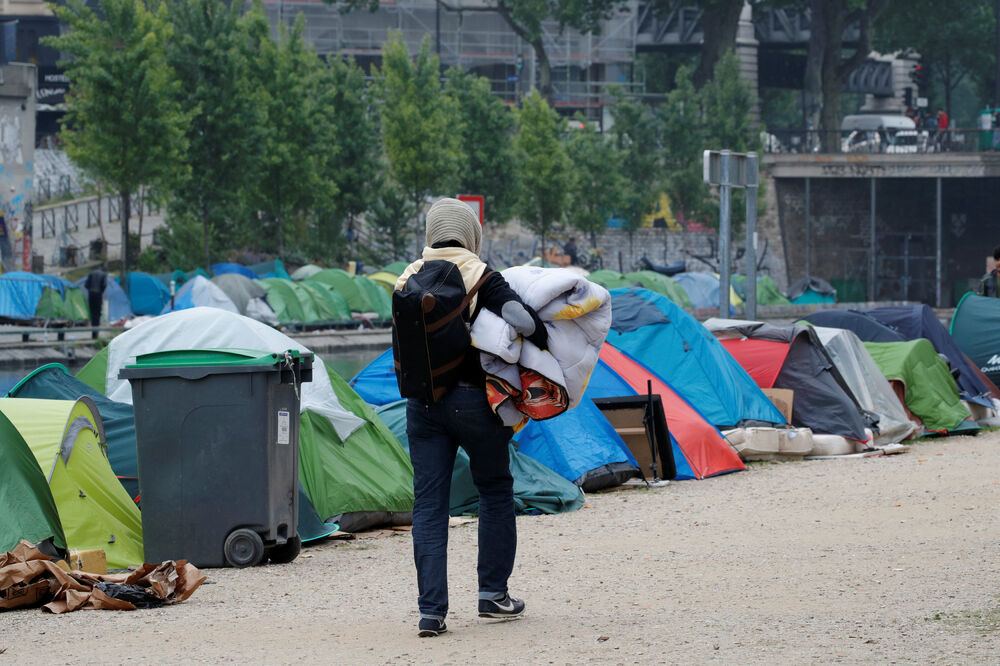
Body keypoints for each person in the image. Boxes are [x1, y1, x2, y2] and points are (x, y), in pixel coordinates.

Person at [395, 198, 549, 638]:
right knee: (495, 490)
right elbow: (520, 318)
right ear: (470, 233)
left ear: (430, 232)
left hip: (421, 405)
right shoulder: (479, 274)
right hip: (474, 402)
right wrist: (538, 331)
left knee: (428, 505)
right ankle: (492, 595)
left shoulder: (406, 278)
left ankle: (431, 613)